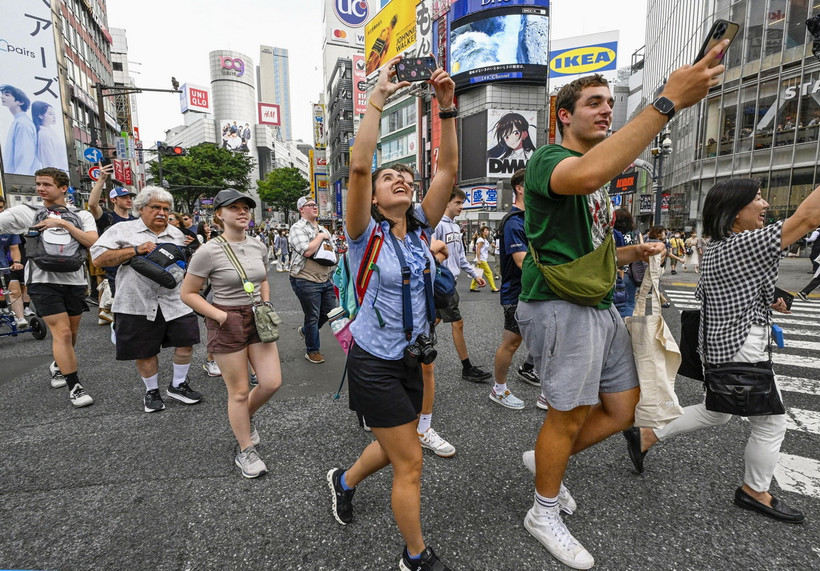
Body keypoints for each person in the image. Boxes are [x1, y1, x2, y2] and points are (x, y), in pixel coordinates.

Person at [517, 43, 724, 569]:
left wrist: (632, 251)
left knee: (622, 406)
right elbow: (583, 177)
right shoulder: (550, 159)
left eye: (610, 101)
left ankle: (545, 461)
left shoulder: (596, 176)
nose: (606, 109)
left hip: (597, 303)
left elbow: (584, 241)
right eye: (593, 102)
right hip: (560, 305)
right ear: (564, 115)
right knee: (567, 414)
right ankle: (543, 510)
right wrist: (665, 102)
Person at [624, 177, 820, 524]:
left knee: (718, 411)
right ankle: (754, 491)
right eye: (758, 199)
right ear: (733, 215)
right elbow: (808, 218)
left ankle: (648, 434)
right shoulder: (743, 245)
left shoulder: (721, 247)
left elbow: (737, 288)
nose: (766, 205)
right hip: (740, 349)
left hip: (724, 346)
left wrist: (768, 296)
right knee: (772, 424)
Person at [325, 55, 456, 571]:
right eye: (390, 179)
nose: (400, 180)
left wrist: (447, 107)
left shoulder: (422, 229)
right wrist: (376, 97)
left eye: (406, 175)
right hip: (373, 361)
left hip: (412, 359)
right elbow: (359, 165)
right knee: (411, 461)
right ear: (375, 198)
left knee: (392, 442)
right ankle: (415, 557)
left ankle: (344, 480)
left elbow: (446, 168)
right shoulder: (364, 236)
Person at [181, 188, 282, 478]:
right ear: (219, 214)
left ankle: (243, 419)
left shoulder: (258, 245)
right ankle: (245, 449)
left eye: (246, 208)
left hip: (256, 316)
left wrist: (264, 301)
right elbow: (188, 294)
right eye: (234, 207)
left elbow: (263, 278)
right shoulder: (207, 251)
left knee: (272, 382)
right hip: (226, 318)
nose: (242, 212)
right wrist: (220, 316)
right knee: (238, 392)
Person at [90, 186, 202, 414]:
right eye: (156, 208)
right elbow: (99, 259)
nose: (161, 212)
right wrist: (135, 249)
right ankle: (152, 391)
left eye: (166, 209)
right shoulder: (122, 230)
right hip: (136, 301)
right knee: (145, 350)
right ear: (141, 209)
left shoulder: (178, 234)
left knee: (186, 342)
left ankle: (178, 385)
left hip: (175, 300)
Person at [0, 167, 98, 407]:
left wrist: (63, 225)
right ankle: (75, 386)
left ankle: (58, 364)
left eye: (46, 184)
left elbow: (93, 242)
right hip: (42, 281)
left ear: (63, 188)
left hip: (74, 281)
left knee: (72, 335)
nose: (40, 189)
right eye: (38, 184)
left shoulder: (81, 215)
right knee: (62, 333)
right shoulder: (27, 212)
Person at [431, 187, 493, 382]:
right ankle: (467, 367)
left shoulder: (456, 228)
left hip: (451, 281)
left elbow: (460, 258)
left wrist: (474, 274)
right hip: (442, 283)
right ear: (446, 202)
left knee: (434, 320)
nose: (461, 206)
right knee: (457, 323)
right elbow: (431, 253)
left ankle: (411, 351)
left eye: (461, 203)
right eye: (457, 202)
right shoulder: (438, 225)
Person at [490, 168, 536, 410]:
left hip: (533, 292)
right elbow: (522, 262)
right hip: (517, 293)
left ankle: (533, 375)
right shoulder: (513, 222)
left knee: (543, 339)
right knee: (511, 342)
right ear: (520, 188)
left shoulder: (532, 218)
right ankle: (498, 389)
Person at [288, 196, 337, 364]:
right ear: (301, 209)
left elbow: (333, 250)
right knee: (312, 316)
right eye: (310, 205)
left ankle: (306, 331)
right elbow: (306, 251)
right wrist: (321, 237)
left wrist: (324, 236)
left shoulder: (323, 229)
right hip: (305, 279)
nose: (314, 207)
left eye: (315, 204)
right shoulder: (297, 228)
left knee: (331, 313)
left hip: (325, 278)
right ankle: (312, 350)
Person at [1, 84, 40, 175]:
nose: (2, 97)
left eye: (7, 95)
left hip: (19, 180)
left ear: (20, 102)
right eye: (2, 94)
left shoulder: (22, 124)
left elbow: (25, 157)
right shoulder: (18, 121)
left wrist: (17, 180)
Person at [613, 208, 638, 318]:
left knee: (613, 303)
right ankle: (628, 329)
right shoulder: (635, 234)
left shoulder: (612, 233)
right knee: (629, 302)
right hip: (631, 272)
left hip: (614, 273)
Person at [31, 101, 68, 172]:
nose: (54, 117)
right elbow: (48, 161)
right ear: (40, 116)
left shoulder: (51, 132)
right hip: (57, 175)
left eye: (54, 114)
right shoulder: (43, 135)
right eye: (50, 114)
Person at [469, 226, 499, 292]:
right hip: (482, 259)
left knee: (477, 273)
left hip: (483, 259)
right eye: (486, 230)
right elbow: (478, 249)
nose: (487, 232)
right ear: (482, 232)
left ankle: (472, 287)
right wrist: (479, 259)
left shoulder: (484, 239)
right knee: (489, 273)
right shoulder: (481, 240)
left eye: (488, 230)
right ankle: (493, 288)